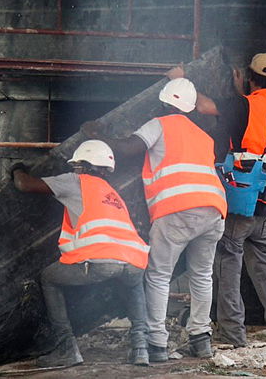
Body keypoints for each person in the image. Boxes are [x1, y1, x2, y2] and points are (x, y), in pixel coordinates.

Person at [87, 78, 227, 362]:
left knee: (159, 275)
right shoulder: (203, 134)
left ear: (164, 102)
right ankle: (201, 339)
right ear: (189, 108)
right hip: (214, 209)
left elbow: (127, 149)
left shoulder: (158, 124)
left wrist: (98, 135)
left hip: (177, 208)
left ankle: (156, 343)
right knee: (202, 275)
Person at [170, 54, 266, 347]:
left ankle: (232, 331)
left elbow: (205, 106)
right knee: (260, 251)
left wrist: (179, 79)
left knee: (228, 258)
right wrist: (241, 92)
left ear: (250, 77)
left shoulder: (244, 105)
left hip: (242, 195)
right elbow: (248, 122)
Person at [10, 140, 150, 368]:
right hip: (134, 261)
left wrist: (17, 168)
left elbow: (24, 185)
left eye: (77, 165)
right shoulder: (112, 193)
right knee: (133, 284)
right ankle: (141, 348)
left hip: (102, 260)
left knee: (48, 277)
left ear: (83, 165)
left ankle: (66, 347)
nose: (75, 169)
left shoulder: (75, 181)